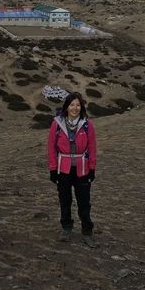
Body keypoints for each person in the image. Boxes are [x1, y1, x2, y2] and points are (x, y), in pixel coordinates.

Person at [47, 92, 99, 248]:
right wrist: (53, 169)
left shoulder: (87, 124)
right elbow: (51, 148)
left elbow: (92, 147)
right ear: (66, 107)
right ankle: (66, 228)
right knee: (65, 200)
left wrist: (92, 169)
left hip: (82, 169)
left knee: (84, 202)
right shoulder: (57, 124)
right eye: (72, 104)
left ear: (81, 107)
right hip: (63, 168)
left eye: (77, 105)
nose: (75, 108)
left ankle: (87, 232)